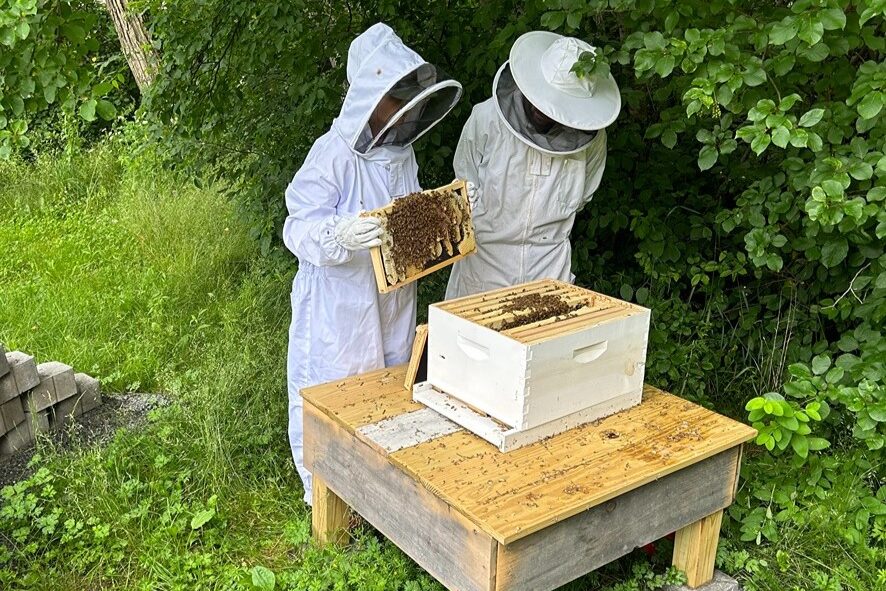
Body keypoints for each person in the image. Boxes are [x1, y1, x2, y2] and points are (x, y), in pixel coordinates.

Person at [283, 23, 462, 505]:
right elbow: (297, 226)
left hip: (393, 294)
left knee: (390, 386)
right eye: (395, 96)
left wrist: (449, 213)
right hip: (340, 302)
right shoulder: (332, 153)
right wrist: (339, 235)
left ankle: (379, 493)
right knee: (336, 389)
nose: (407, 108)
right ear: (367, 96)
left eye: (408, 96)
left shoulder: (401, 153)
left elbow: (409, 214)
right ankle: (325, 494)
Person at [446, 31, 621, 299]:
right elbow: (464, 182)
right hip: (484, 263)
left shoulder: (591, 141)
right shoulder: (485, 118)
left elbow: (584, 195)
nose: (542, 109)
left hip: (549, 264)